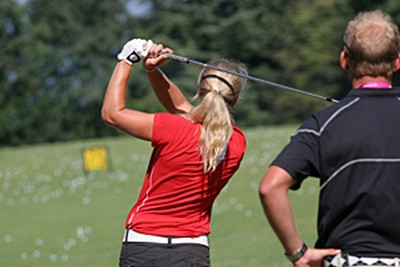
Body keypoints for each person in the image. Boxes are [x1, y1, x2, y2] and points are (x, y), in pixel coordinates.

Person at [259, 10, 400, 267]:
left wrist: (298, 254)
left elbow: (270, 187)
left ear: (344, 60)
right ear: (397, 61)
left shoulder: (323, 124)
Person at [102, 38, 248, 267]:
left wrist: (126, 60)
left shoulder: (173, 129)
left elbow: (112, 113)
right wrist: (153, 71)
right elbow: (183, 109)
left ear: (199, 90)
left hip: (143, 246)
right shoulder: (237, 143)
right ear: (236, 100)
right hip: (193, 252)